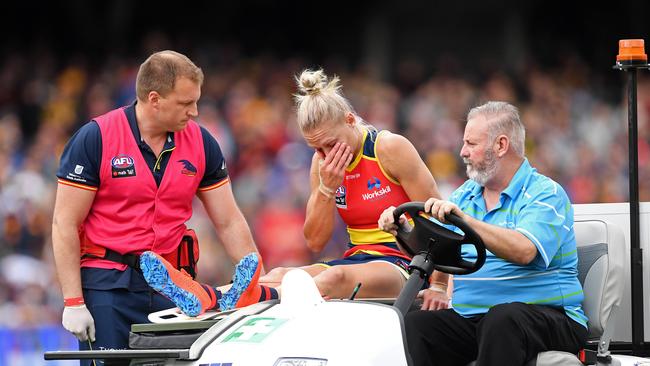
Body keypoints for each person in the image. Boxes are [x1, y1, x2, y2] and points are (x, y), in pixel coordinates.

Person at [141, 68, 450, 312]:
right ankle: (203, 293)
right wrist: (327, 189)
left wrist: (437, 284)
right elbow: (315, 240)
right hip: (359, 259)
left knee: (332, 279)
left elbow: (438, 216)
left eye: (331, 144)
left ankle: (235, 299)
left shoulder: (389, 147)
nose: (326, 155)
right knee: (277, 274)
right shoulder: (322, 164)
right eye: (317, 148)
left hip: (402, 264)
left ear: (351, 120)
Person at [52, 50, 264, 364]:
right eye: (185, 103)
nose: (194, 111)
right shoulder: (96, 138)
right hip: (108, 286)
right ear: (155, 99)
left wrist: (258, 284)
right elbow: (64, 222)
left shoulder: (202, 143)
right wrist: (73, 302)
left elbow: (229, 220)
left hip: (173, 287)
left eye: (196, 101)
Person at [378, 101, 588, 366]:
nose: (463, 152)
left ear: (501, 145)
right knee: (416, 325)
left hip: (549, 317)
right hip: (476, 318)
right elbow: (439, 249)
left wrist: (466, 220)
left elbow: (524, 251)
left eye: (471, 144)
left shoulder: (545, 193)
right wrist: (402, 230)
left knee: (503, 319)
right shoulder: (465, 195)